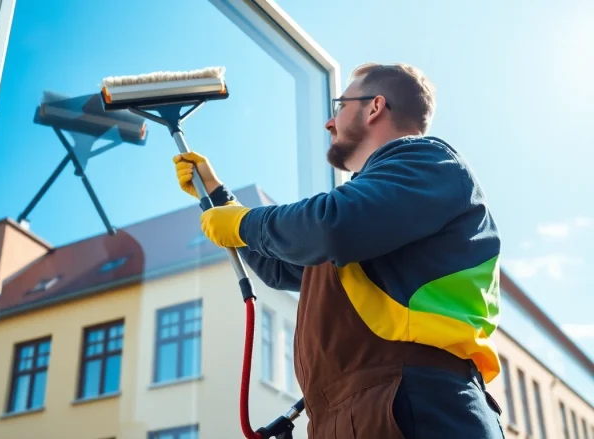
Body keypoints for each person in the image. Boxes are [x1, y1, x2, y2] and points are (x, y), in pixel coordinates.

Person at [172, 62, 506, 438]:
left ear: (375, 107)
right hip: (362, 409)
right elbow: (280, 267)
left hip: (419, 400)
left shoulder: (428, 161)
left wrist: (243, 222)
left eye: (338, 107)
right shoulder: (374, 215)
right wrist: (218, 196)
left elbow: (329, 225)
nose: (329, 123)